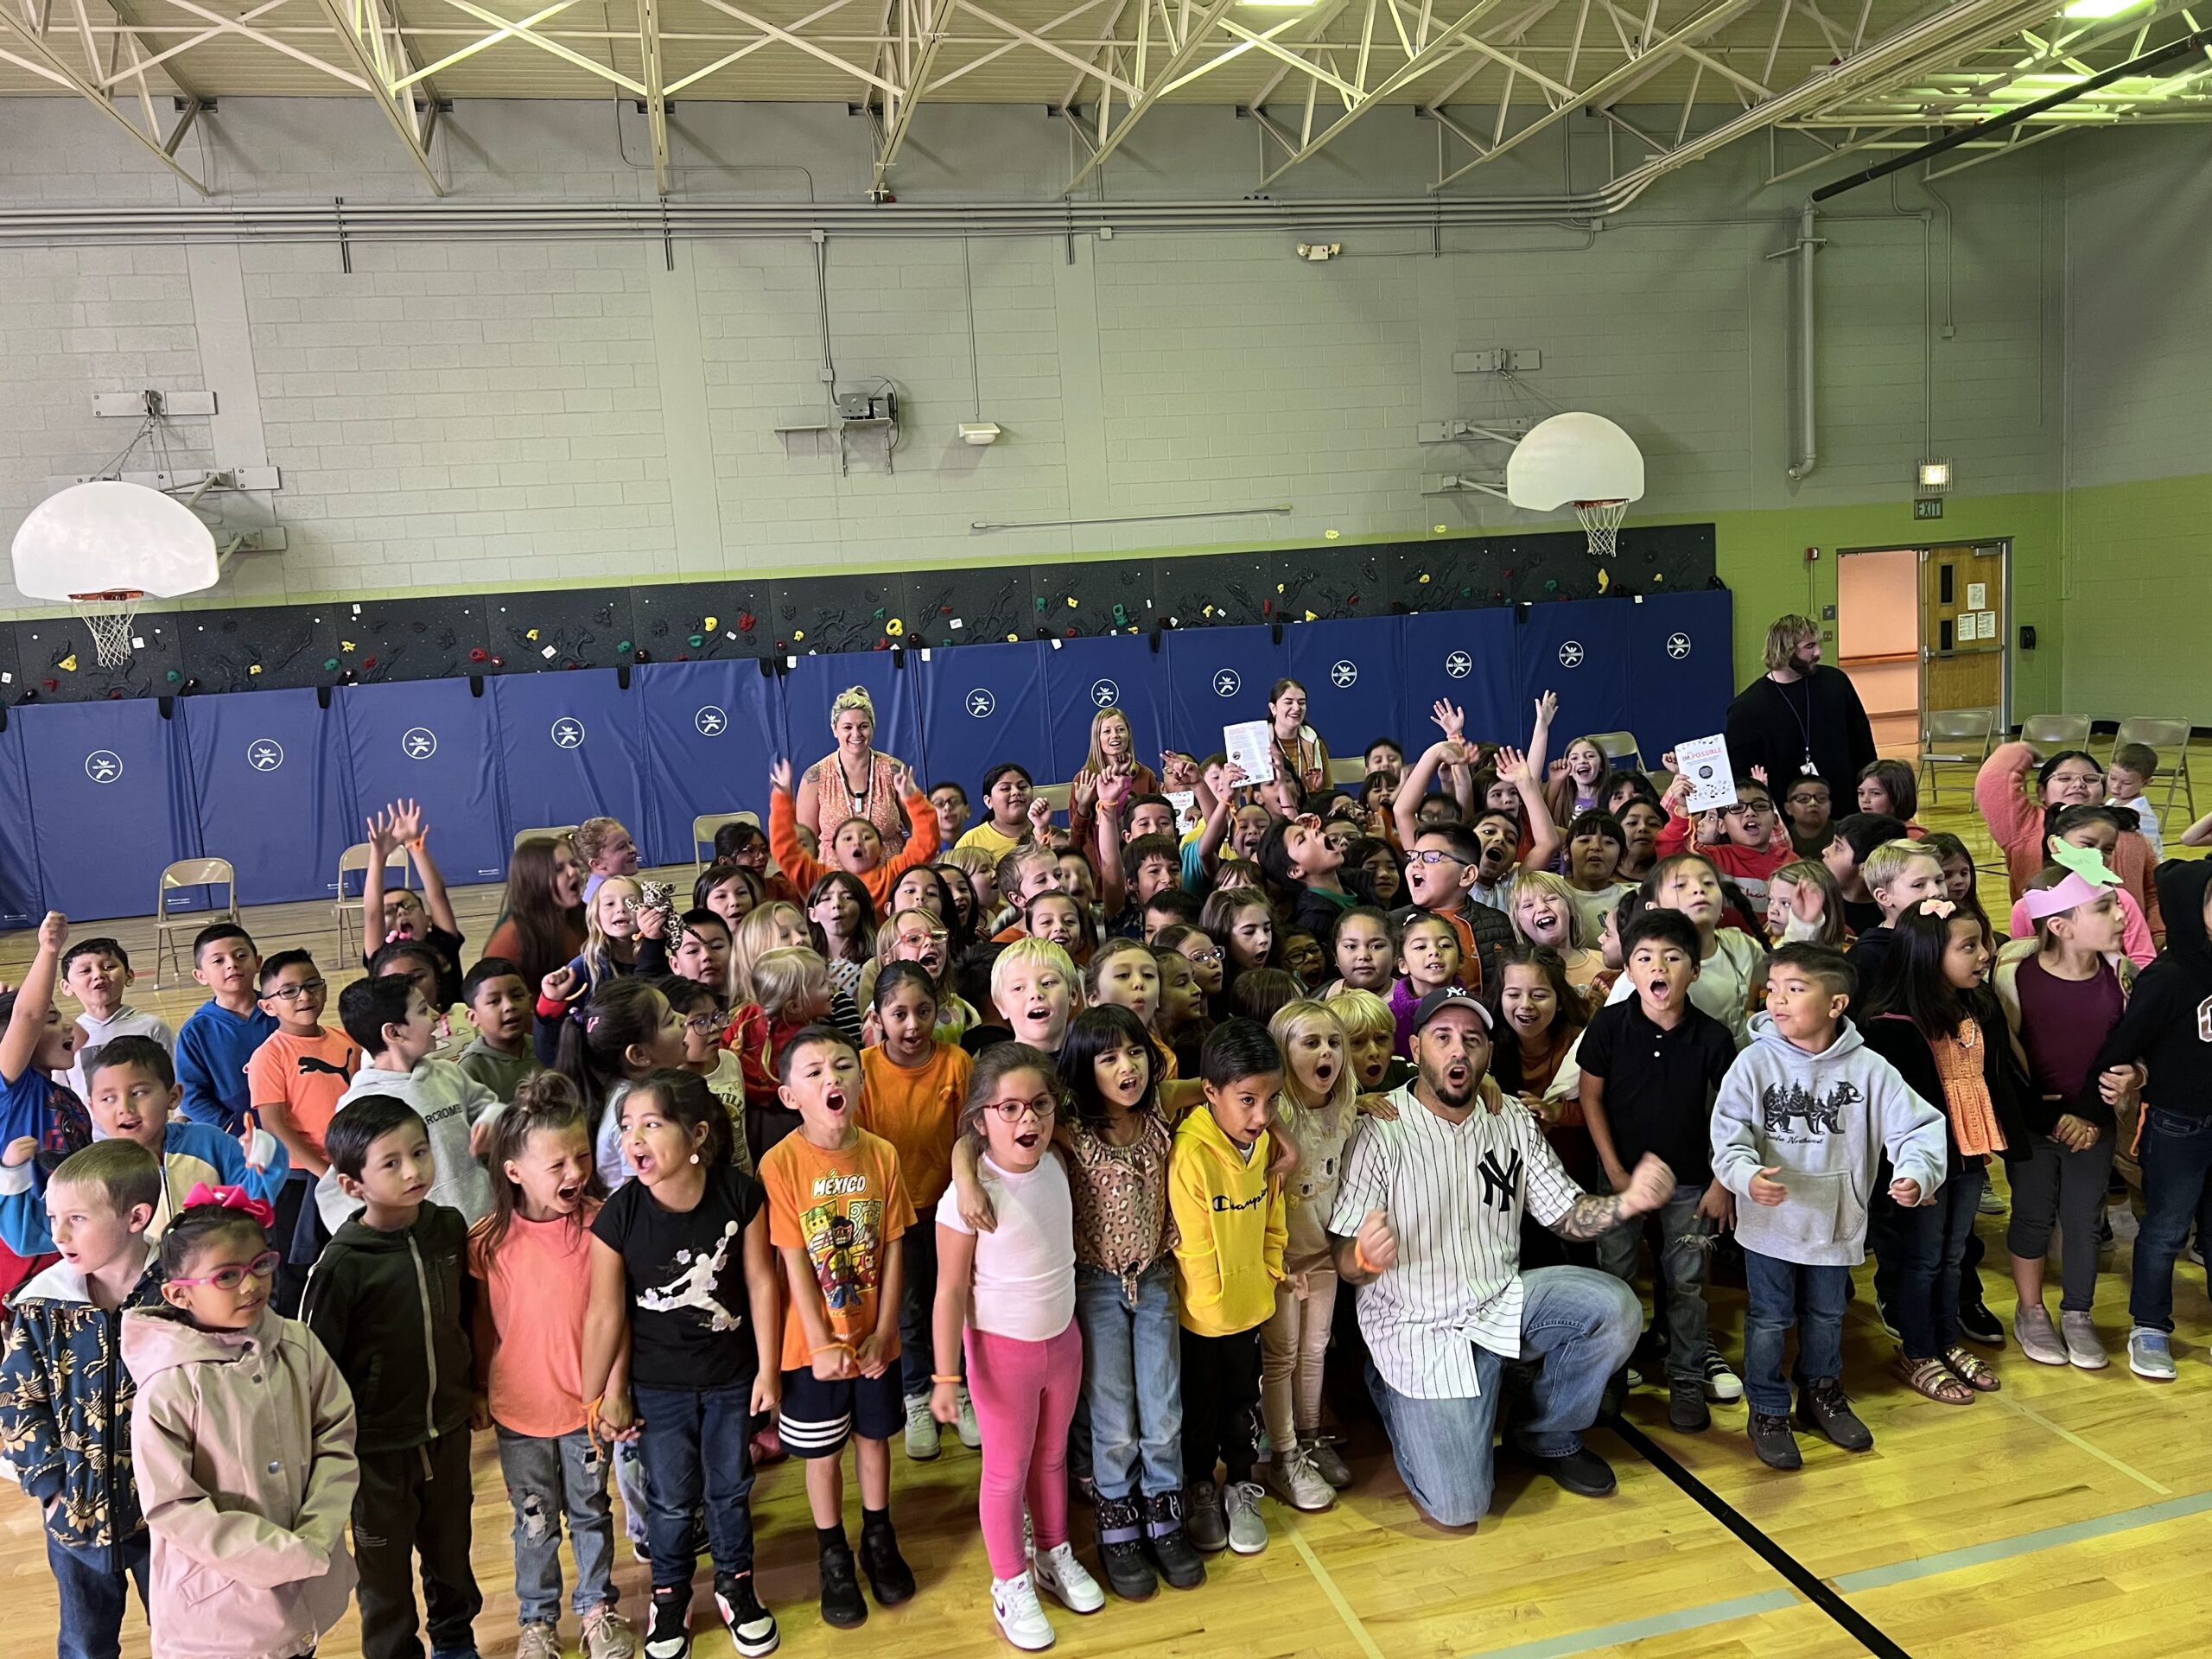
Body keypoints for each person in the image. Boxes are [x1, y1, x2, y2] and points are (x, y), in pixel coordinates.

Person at [1329, 987, 1668, 1526]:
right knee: (1460, 1509)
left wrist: (1628, 1202)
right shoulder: (1379, 1128)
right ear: (1415, 1048)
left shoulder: (1509, 1115)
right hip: (1418, 1328)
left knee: (1614, 1306)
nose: (1458, 1051)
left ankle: (1545, 1432)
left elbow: (1565, 1215)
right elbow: (1342, 1258)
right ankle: (1391, 1387)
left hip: (1500, 1300)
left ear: (1488, 1052)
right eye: (1443, 1038)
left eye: (1472, 1039)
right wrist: (1363, 1259)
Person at [1709, 944, 1947, 1470]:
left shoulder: (1870, 1069)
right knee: (1769, 1319)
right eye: (1772, 988)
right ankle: (1767, 1409)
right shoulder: (1754, 1061)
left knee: (1826, 1314)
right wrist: (1746, 1176)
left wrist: (1914, 1173)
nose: (1778, 1000)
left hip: (1836, 1223)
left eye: (1795, 989)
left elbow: (1920, 1127)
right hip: (1769, 1223)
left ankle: (1821, 1394)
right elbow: (1728, 1134)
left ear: (1836, 1003)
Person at [584, 1069, 782, 1659]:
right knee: (669, 1500)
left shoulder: (739, 1194)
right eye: (626, 1127)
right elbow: (604, 1315)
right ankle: (669, 1599)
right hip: (657, 1387)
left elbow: (761, 1284)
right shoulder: (617, 1217)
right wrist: (597, 1396)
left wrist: (768, 1370)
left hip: (730, 1378)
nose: (634, 1140)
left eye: (651, 1124)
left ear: (696, 1134)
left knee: (730, 1490)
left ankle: (736, 1585)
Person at [124, 1187, 359, 1659]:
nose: (251, 1285)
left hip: (306, 1582)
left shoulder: (297, 1344)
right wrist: (279, 1554)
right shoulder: (169, 1386)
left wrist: (316, 1532)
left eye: (260, 1266)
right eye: (227, 1276)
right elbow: (174, 1506)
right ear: (176, 1294)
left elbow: (335, 1437)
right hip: (217, 1613)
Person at [930, 1045, 1105, 1650]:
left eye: (1039, 1105)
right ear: (982, 1119)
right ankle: (1009, 1582)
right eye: (1009, 1109)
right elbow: (949, 1292)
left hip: (1063, 1340)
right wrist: (945, 1377)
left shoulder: (1056, 1158)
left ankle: (1053, 1553)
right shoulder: (966, 1196)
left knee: (1052, 1459)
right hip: (1003, 1353)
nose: (1027, 1120)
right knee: (1005, 1474)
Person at [300, 1096, 482, 1659]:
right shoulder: (342, 1265)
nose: (415, 1170)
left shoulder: (448, 1228)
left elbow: (470, 1315)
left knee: (452, 1555)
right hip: (374, 1452)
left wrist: (473, 1387)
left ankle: (456, 1643)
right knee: (384, 1576)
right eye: (393, 1162)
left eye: (420, 1153)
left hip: (447, 1431)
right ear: (353, 1185)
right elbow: (316, 1367)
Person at [467, 1074, 632, 1659]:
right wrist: (478, 1389)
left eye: (582, 1155)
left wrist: (615, 1393)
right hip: (520, 1414)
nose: (575, 1173)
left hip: (585, 1412)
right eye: (557, 1163)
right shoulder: (487, 1242)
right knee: (533, 1520)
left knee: (590, 1510)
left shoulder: (603, 1227)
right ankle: (538, 1621)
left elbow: (616, 1319)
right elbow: (485, 1326)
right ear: (514, 1171)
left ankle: (597, 1609)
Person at [758, 1027, 918, 1629]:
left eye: (843, 1066)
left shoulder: (882, 1154)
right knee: (821, 1452)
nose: (832, 1078)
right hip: (811, 1347)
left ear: (861, 1077)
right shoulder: (782, 1164)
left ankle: (879, 1535)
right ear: (789, 1094)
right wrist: (822, 1341)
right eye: (815, 1071)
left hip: (876, 1336)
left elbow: (896, 1244)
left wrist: (883, 1331)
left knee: (875, 1440)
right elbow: (792, 1258)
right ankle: (833, 1553)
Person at [0, 1141, 166, 1659]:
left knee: (185, 1634)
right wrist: (49, 1487)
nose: (58, 1234)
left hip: (171, 1513)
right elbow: (16, 1400)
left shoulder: (179, 1294)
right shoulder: (42, 1303)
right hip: (75, 1516)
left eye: (76, 1218)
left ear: (136, 1217)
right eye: (53, 1217)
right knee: (84, 1643)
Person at [1577, 910, 1739, 1430]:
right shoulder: (1609, 1024)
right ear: (1629, 969)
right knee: (1615, 1276)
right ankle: (1611, 1375)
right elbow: (1590, 1098)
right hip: (1619, 1179)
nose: (1658, 967)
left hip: (1692, 1183)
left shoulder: (1713, 1038)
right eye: (1644, 957)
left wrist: (1720, 1184)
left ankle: (1687, 1377)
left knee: (1688, 1281)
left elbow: (1732, 1118)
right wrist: (1615, 1173)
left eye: (1672, 957)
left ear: (1694, 968)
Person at [1858, 902, 2022, 1405]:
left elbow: (1994, 1079)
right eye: (1969, 946)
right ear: (1929, 955)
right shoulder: (1889, 1026)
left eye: (1984, 944)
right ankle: (1918, 1348)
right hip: (1924, 1165)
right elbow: (1887, 1116)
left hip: (1970, 1152)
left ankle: (1947, 1339)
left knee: (1954, 1256)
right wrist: (1910, 1172)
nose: (1985, 955)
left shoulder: (1979, 1007)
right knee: (1922, 1259)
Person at [1995, 868, 2136, 1370]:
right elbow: (2004, 1060)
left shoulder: (2122, 977)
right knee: (2033, 1215)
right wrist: (2053, 1117)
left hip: (2093, 1126)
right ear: (2060, 925)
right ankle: (2031, 1309)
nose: (2121, 915)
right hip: (2036, 1125)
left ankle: (2078, 1312)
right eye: (2103, 908)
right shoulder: (2013, 977)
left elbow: (2134, 1052)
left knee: (2084, 1218)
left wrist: (2118, 1091)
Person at [0, 1036, 288, 1259]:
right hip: (136, 1310)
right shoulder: (87, 1172)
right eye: (108, 1098)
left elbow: (253, 1203)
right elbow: (30, 1237)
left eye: (139, 1092)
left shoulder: (209, 1143)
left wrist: (262, 1153)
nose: (125, 1108)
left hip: (215, 1286)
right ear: (92, 1108)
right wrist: (13, 1175)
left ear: (173, 1096)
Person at [1168, 1019, 1287, 1557]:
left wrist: (1268, 1276)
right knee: (1201, 1407)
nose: (1261, 1117)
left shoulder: (1261, 1145)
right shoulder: (1190, 1153)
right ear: (1210, 1092)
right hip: (1202, 1318)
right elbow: (1194, 1248)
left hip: (1250, 1309)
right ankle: (1199, 1486)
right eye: (1247, 1101)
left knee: (1243, 1404)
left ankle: (1240, 1483)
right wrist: (1220, 1306)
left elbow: (1272, 1218)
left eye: (1271, 1100)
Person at [2091, 858, 2212, 1382]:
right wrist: (2130, 1080)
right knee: (2164, 1228)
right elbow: (2124, 1048)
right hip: (2178, 1124)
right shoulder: (2168, 978)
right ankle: (2150, 1326)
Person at [855, 963, 978, 1461]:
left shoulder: (956, 1062)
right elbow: (858, 1144)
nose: (912, 1026)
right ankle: (917, 1398)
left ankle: (962, 1389)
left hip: (948, 1210)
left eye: (923, 1012)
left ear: (939, 1010)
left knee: (958, 1300)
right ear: (878, 1016)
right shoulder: (862, 1067)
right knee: (907, 1309)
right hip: (893, 1216)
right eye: (899, 1013)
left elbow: (970, 1136)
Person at [1260, 1000, 1358, 1511]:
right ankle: (1282, 1453)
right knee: (1281, 1356)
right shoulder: (1272, 1116)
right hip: (1279, 1263)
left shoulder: (1347, 1111)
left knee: (1315, 1350)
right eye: (1311, 1043)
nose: (1327, 1053)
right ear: (1283, 1051)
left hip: (1321, 1257)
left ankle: (1311, 1438)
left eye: (1334, 1043)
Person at [315, 976, 500, 1232]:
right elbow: (336, 1192)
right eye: (423, 1010)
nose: (436, 1016)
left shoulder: (447, 1073)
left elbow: (488, 1104)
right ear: (394, 1032)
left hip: (487, 1221)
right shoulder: (359, 1106)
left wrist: (491, 1118)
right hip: (429, 1239)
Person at [0, 913, 93, 1300]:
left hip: (70, 1231)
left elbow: (81, 1033)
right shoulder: (11, 1088)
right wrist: (48, 951)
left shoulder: (63, 1096)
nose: (69, 1026)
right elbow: (28, 1014)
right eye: (53, 1019)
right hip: (27, 1237)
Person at [1976, 741, 2160, 935]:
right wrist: (2023, 750)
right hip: (2051, 948)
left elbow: (2154, 891)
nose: (2078, 784)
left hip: (2124, 948)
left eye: (2090, 779)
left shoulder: (2127, 830)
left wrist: (2157, 932)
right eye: (2064, 778)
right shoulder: (2024, 826)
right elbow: (1992, 781)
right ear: (2042, 792)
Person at [1723, 613, 1876, 795]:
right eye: (1809, 646)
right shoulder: (1747, 708)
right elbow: (1743, 774)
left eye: (1818, 644)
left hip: (1844, 806)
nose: (1819, 653)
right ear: (1785, 650)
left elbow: (1862, 743)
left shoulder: (1836, 682)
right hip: (1787, 815)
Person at [770, 756, 940, 916]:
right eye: (847, 838)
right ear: (834, 849)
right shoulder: (819, 879)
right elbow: (786, 851)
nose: (857, 842)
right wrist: (781, 796)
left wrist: (913, 798)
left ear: (881, 848)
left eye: (867, 837)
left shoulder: (892, 876)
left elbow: (927, 843)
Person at [361, 800, 467, 1009]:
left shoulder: (442, 941)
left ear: (427, 917)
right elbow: (372, 913)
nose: (401, 912)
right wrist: (378, 856)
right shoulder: (382, 954)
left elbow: (437, 895)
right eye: (390, 910)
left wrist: (414, 844)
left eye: (408, 905)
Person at [174, 923, 276, 1135]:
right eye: (218, 960)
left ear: (257, 963)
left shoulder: (282, 1010)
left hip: (295, 1127)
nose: (232, 964)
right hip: (237, 1140)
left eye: (240, 956)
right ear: (200, 975)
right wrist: (233, 1128)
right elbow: (192, 1096)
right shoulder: (195, 1032)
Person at [796, 687, 912, 855]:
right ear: (835, 730)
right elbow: (806, 846)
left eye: (863, 726)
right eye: (847, 727)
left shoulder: (894, 770)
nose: (856, 734)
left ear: (873, 727)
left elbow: (920, 832)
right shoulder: (814, 777)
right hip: (835, 877)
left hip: (890, 875)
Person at [58, 938, 174, 1103]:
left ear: (129, 976)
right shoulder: (65, 1037)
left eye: (109, 967)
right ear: (67, 987)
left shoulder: (152, 1027)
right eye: (85, 971)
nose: (98, 975)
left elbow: (178, 1077)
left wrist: (181, 1121)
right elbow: (59, 1093)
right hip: (88, 1130)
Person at [486, 836, 589, 991]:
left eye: (573, 864)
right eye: (558, 869)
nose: (572, 872)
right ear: (534, 880)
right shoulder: (511, 938)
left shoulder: (584, 917)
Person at [455, 957, 539, 1103]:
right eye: (494, 1001)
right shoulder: (471, 1068)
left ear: (531, 1002)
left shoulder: (546, 1048)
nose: (509, 1006)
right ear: (473, 1017)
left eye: (517, 996)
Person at [1822, 812, 1910, 938]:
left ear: (1865, 869)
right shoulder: (1817, 900)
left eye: (1838, 847)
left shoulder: (1893, 920)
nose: (1825, 851)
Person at [1264, 679, 1331, 796]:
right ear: (1273, 708)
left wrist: (1315, 790)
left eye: (1301, 703)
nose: (1296, 708)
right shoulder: (1259, 743)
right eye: (1288, 702)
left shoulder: (1314, 742)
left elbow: (1328, 789)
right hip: (1269, 813)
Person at [2105, 741, 2164, 860]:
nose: (2116, 786)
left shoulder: (2142, 816)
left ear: (2147, 782)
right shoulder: (2112, 803)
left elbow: (2150, 854)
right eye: (2112, 778)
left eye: (2127, 783)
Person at [575, 817, 641, 904]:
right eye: (621, 847)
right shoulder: (606, 896)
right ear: (597, 864)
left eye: (630, 843)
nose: (633, 850)